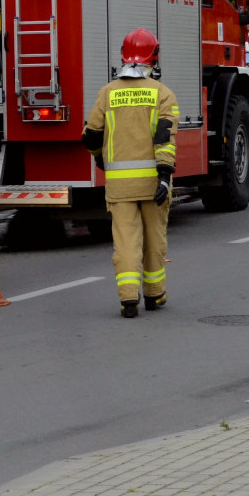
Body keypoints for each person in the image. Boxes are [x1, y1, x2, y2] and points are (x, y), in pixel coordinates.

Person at [82, 28, 179, 319]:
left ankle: (128, 300)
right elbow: (164, 138)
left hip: (119, 186)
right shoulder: (162, 94)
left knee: (125, 242)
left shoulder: (107, 93)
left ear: (124, 56)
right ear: (154, 57)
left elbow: (91, 137)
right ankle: (155, 295)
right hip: (153, 184)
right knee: (154, 240)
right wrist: (164, 175)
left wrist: (100, 160)